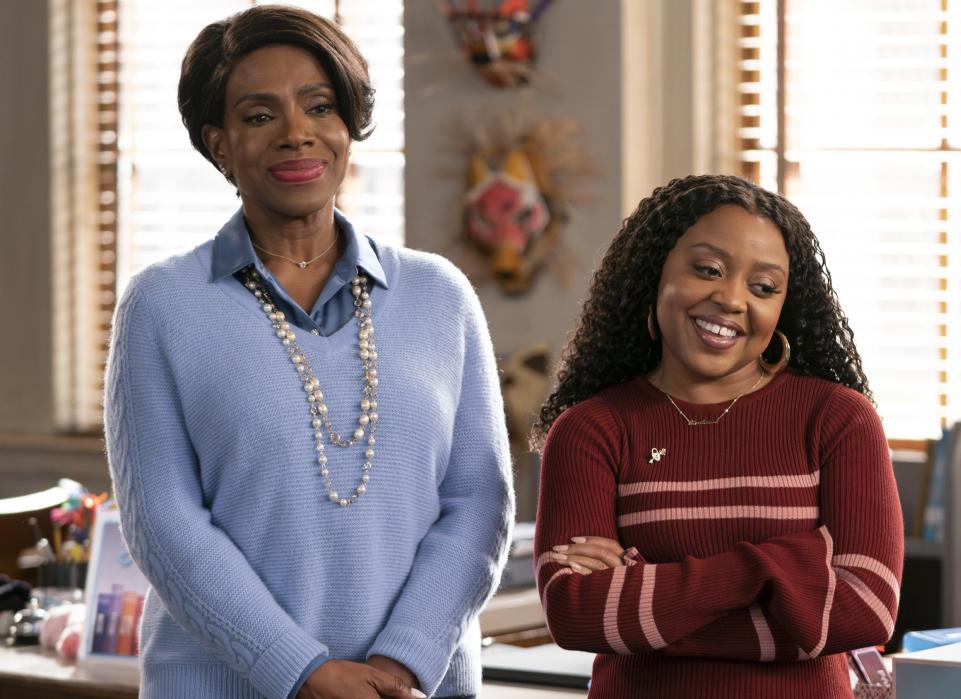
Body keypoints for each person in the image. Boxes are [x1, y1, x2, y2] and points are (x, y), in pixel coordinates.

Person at [104, 7, 512, 698]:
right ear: (220, 144)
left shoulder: (440, 295)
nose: (297, 133)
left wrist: (402, 661)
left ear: (348, 124)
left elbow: (478, 502)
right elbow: (165, 524)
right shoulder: (162, 306)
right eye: (259, 115)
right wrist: (302, 670)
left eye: (319, 106)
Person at [532, 174, 904, 698]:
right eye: (707, 270)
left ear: (782, 308)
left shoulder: (838, 419)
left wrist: (646, 600)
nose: (731, 299)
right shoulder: (591, 429)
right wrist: (777, 569)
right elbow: (577, 615)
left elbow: (863, 612)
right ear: (653, 273)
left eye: (763, 287)